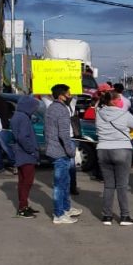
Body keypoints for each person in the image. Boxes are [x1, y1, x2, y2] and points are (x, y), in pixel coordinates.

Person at [95, 90, 133, 226]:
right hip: (121, 149)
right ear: (115, 101)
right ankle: (124, 216)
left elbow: (97, 125)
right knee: (122, 185)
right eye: (119, 99)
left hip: (103, 149)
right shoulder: (123, 114)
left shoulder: (99, 113)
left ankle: (107, 216)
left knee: (108, 185)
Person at [45, 84, 81, 224]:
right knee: (60, 184)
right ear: (61, 96)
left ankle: (66, 208)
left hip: (55, 150)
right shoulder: (61, 110)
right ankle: (59, 214)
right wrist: (71, 151)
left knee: (65, 182)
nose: (70, 96)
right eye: (68, 94)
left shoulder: (51, 108)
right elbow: (64, 135)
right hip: (59, 152)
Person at [10, 96, 40, 218]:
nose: (34, 110)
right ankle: (23, 208)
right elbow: (23, 137)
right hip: (25, 154)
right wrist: (31, 150)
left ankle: (24, 205)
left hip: (20, 152)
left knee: (23, 181)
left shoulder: (18, 116)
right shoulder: (23, 118)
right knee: (27, 181)